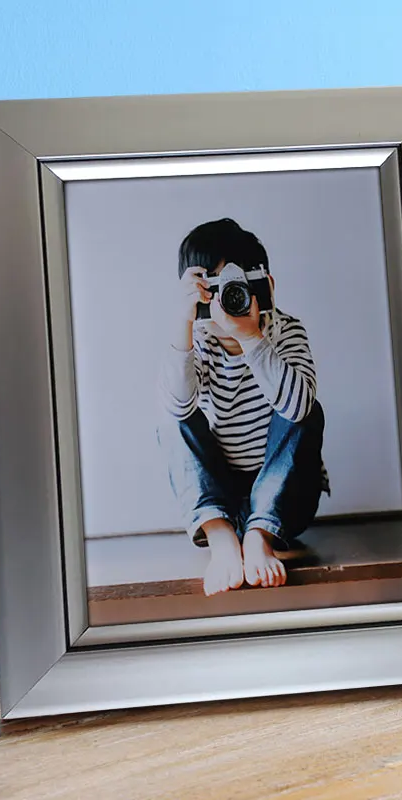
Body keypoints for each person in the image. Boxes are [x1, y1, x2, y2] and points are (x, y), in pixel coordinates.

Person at [157, 218, 329, 596]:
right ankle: (221, 539)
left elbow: (298, 410)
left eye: (236, 286)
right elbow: (178, 408)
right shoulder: (197, 341)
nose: (226, 301)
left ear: (265, 286)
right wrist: (182, 325)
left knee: (306, 407)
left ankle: (259, 537)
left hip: (286, 502)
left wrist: (251, 338)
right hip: (222, 500)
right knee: (170, 415)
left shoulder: (285, 330)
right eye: (215, 288)